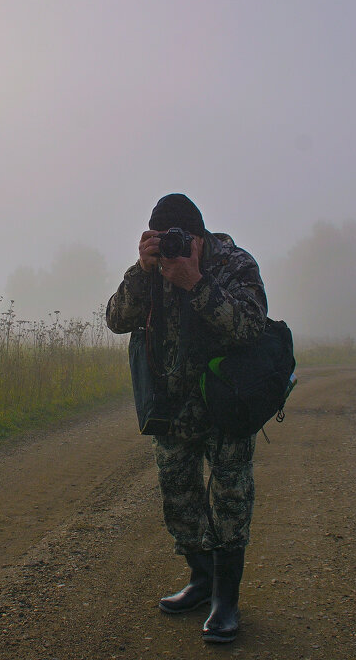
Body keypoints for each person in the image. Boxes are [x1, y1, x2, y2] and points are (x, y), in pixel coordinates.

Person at [105, 193, 268, 643]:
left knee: (230, 495)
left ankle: (225, 599)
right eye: (162, 239)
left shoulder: (234, 263)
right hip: (173, 405)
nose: (173, 246)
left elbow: (251, 326)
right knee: (179, 498)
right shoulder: (153, 268)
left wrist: (197, 283)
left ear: (199, 236)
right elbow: (116, 319)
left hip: (226, 402)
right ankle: (200, 579)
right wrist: (142, 271)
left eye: (180, 238)